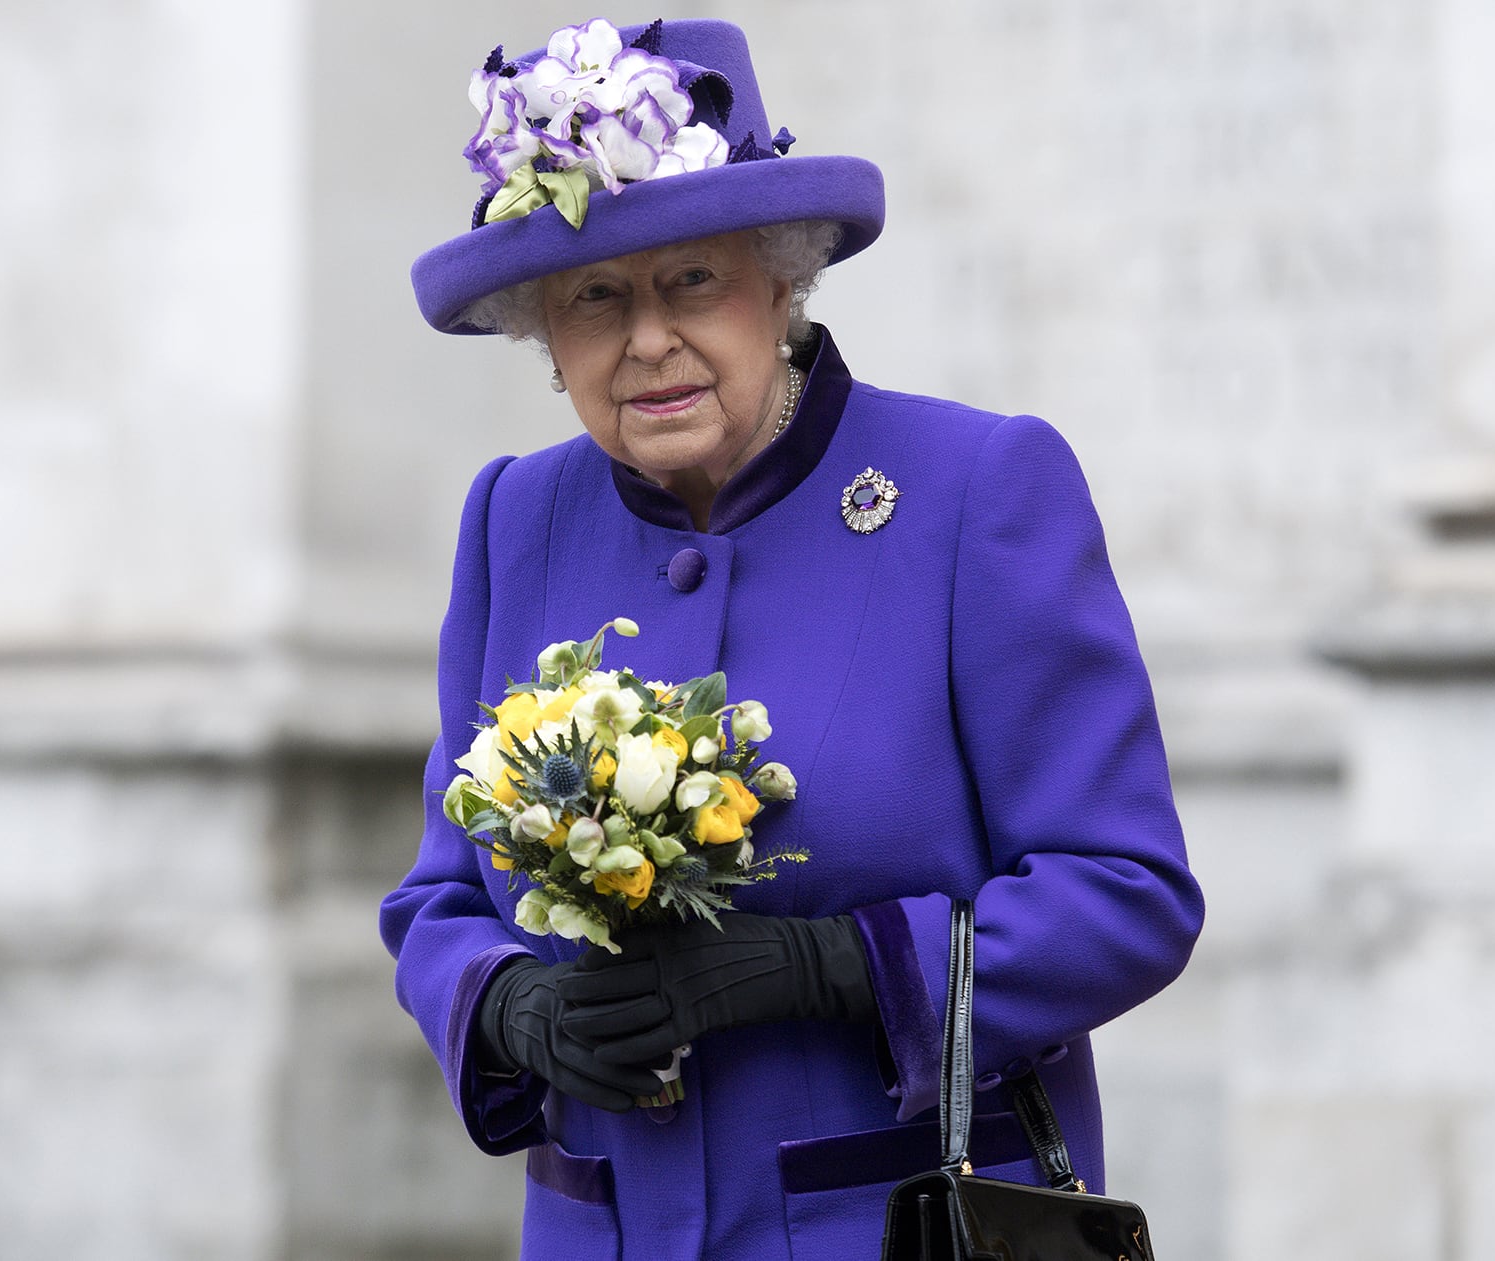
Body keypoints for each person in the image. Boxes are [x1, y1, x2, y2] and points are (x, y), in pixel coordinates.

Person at [380, 17, 1203, 1260]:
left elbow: (1128, 895)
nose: (648, 338)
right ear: (547, 337)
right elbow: (439, 898)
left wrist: (836, 965)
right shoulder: (515, 518)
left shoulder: (976, 488)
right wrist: (511, 1007)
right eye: (596, 298)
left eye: (691, 281)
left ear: (782, 277)